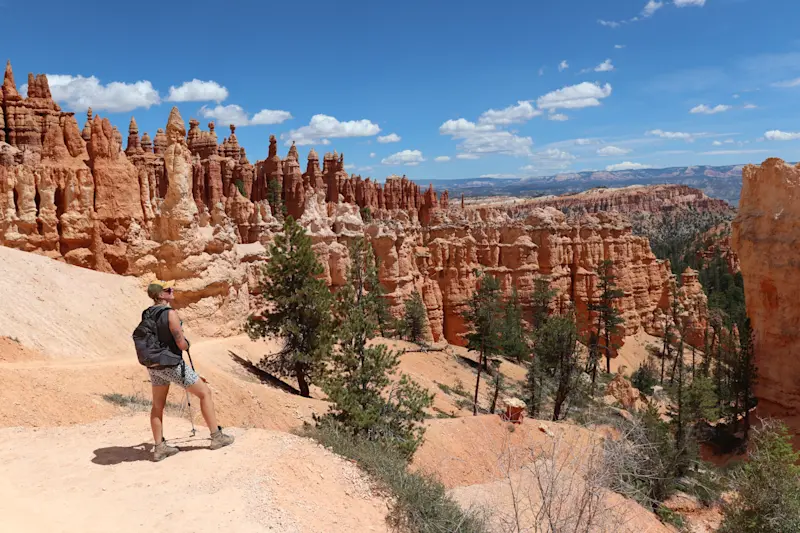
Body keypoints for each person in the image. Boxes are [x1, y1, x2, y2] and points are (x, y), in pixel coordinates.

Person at [144, 280, 234, 461]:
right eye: (168, 289)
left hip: (153, 365)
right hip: (171, 363)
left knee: (157, 405)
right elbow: (180, 342)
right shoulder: (170, 313)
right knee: (205, 393)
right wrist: (187, 344)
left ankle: (159, 448)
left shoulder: (147, 313)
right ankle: (216, 437)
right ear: (161, 295)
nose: (172, 291)